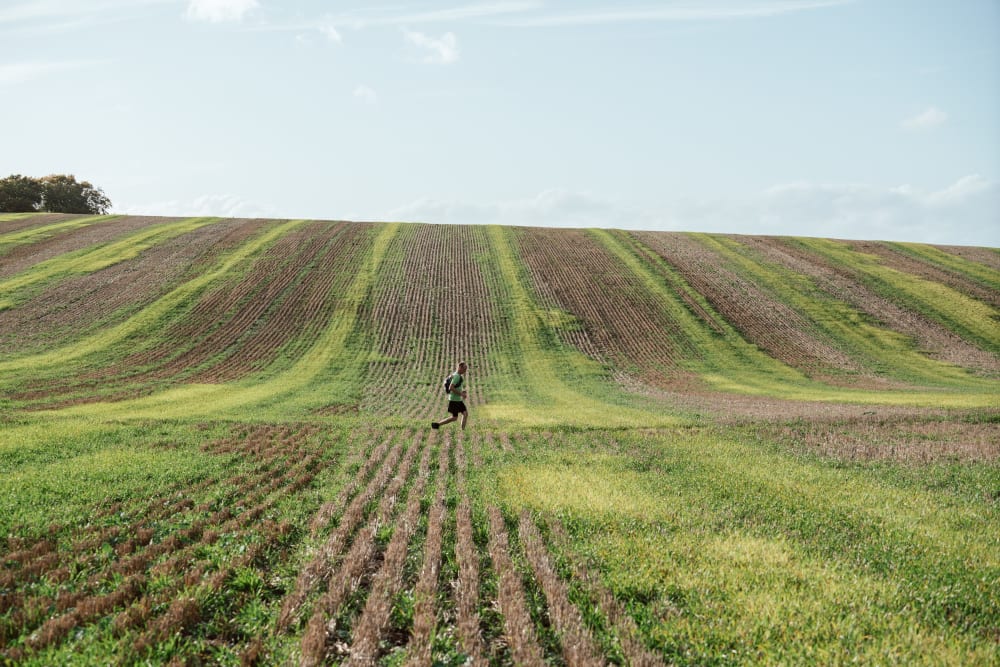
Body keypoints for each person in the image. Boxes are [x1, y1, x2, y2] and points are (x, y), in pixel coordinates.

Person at [432, 361, 468, 430]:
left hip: (457, 400)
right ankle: (437, 424)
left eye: (466, 369)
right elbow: (451, 387)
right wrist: (461, 394)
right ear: (460, 367)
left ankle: (463, 430)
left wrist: (462, 391)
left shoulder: (456, 375)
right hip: (454, 400)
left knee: (465, 414)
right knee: (454, 417)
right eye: (464, 369)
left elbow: (456, 387)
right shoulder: (457, 376)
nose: (465, 371)